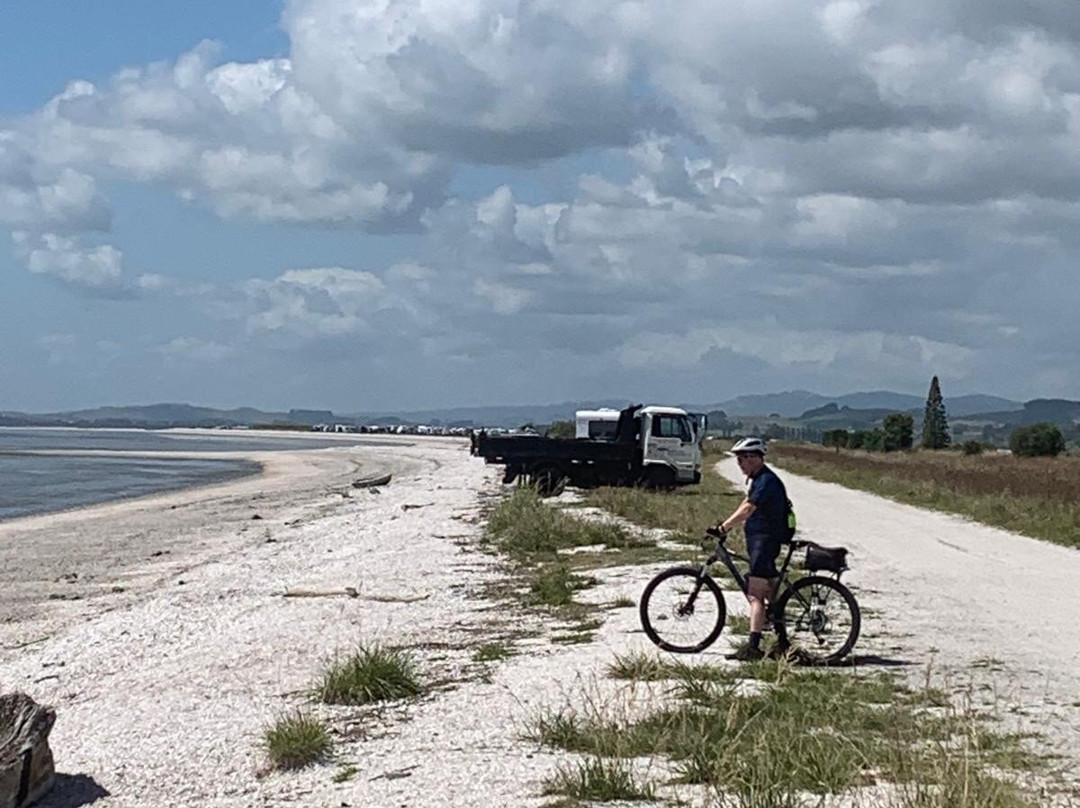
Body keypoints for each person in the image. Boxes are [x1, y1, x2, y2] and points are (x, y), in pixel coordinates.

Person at [714, 436, 789, 661]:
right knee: (771, 596)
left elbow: (748, 509)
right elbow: (745, 503)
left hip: (764, 543)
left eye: (742, 460)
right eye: (738, 460)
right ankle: (783, 642)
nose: (740, 464)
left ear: (755, 458)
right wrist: (726, 524)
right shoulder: (760, 479)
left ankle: (753, 648)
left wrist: (724, 527)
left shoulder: (765, 480)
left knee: (755, 595)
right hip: (765, 542)